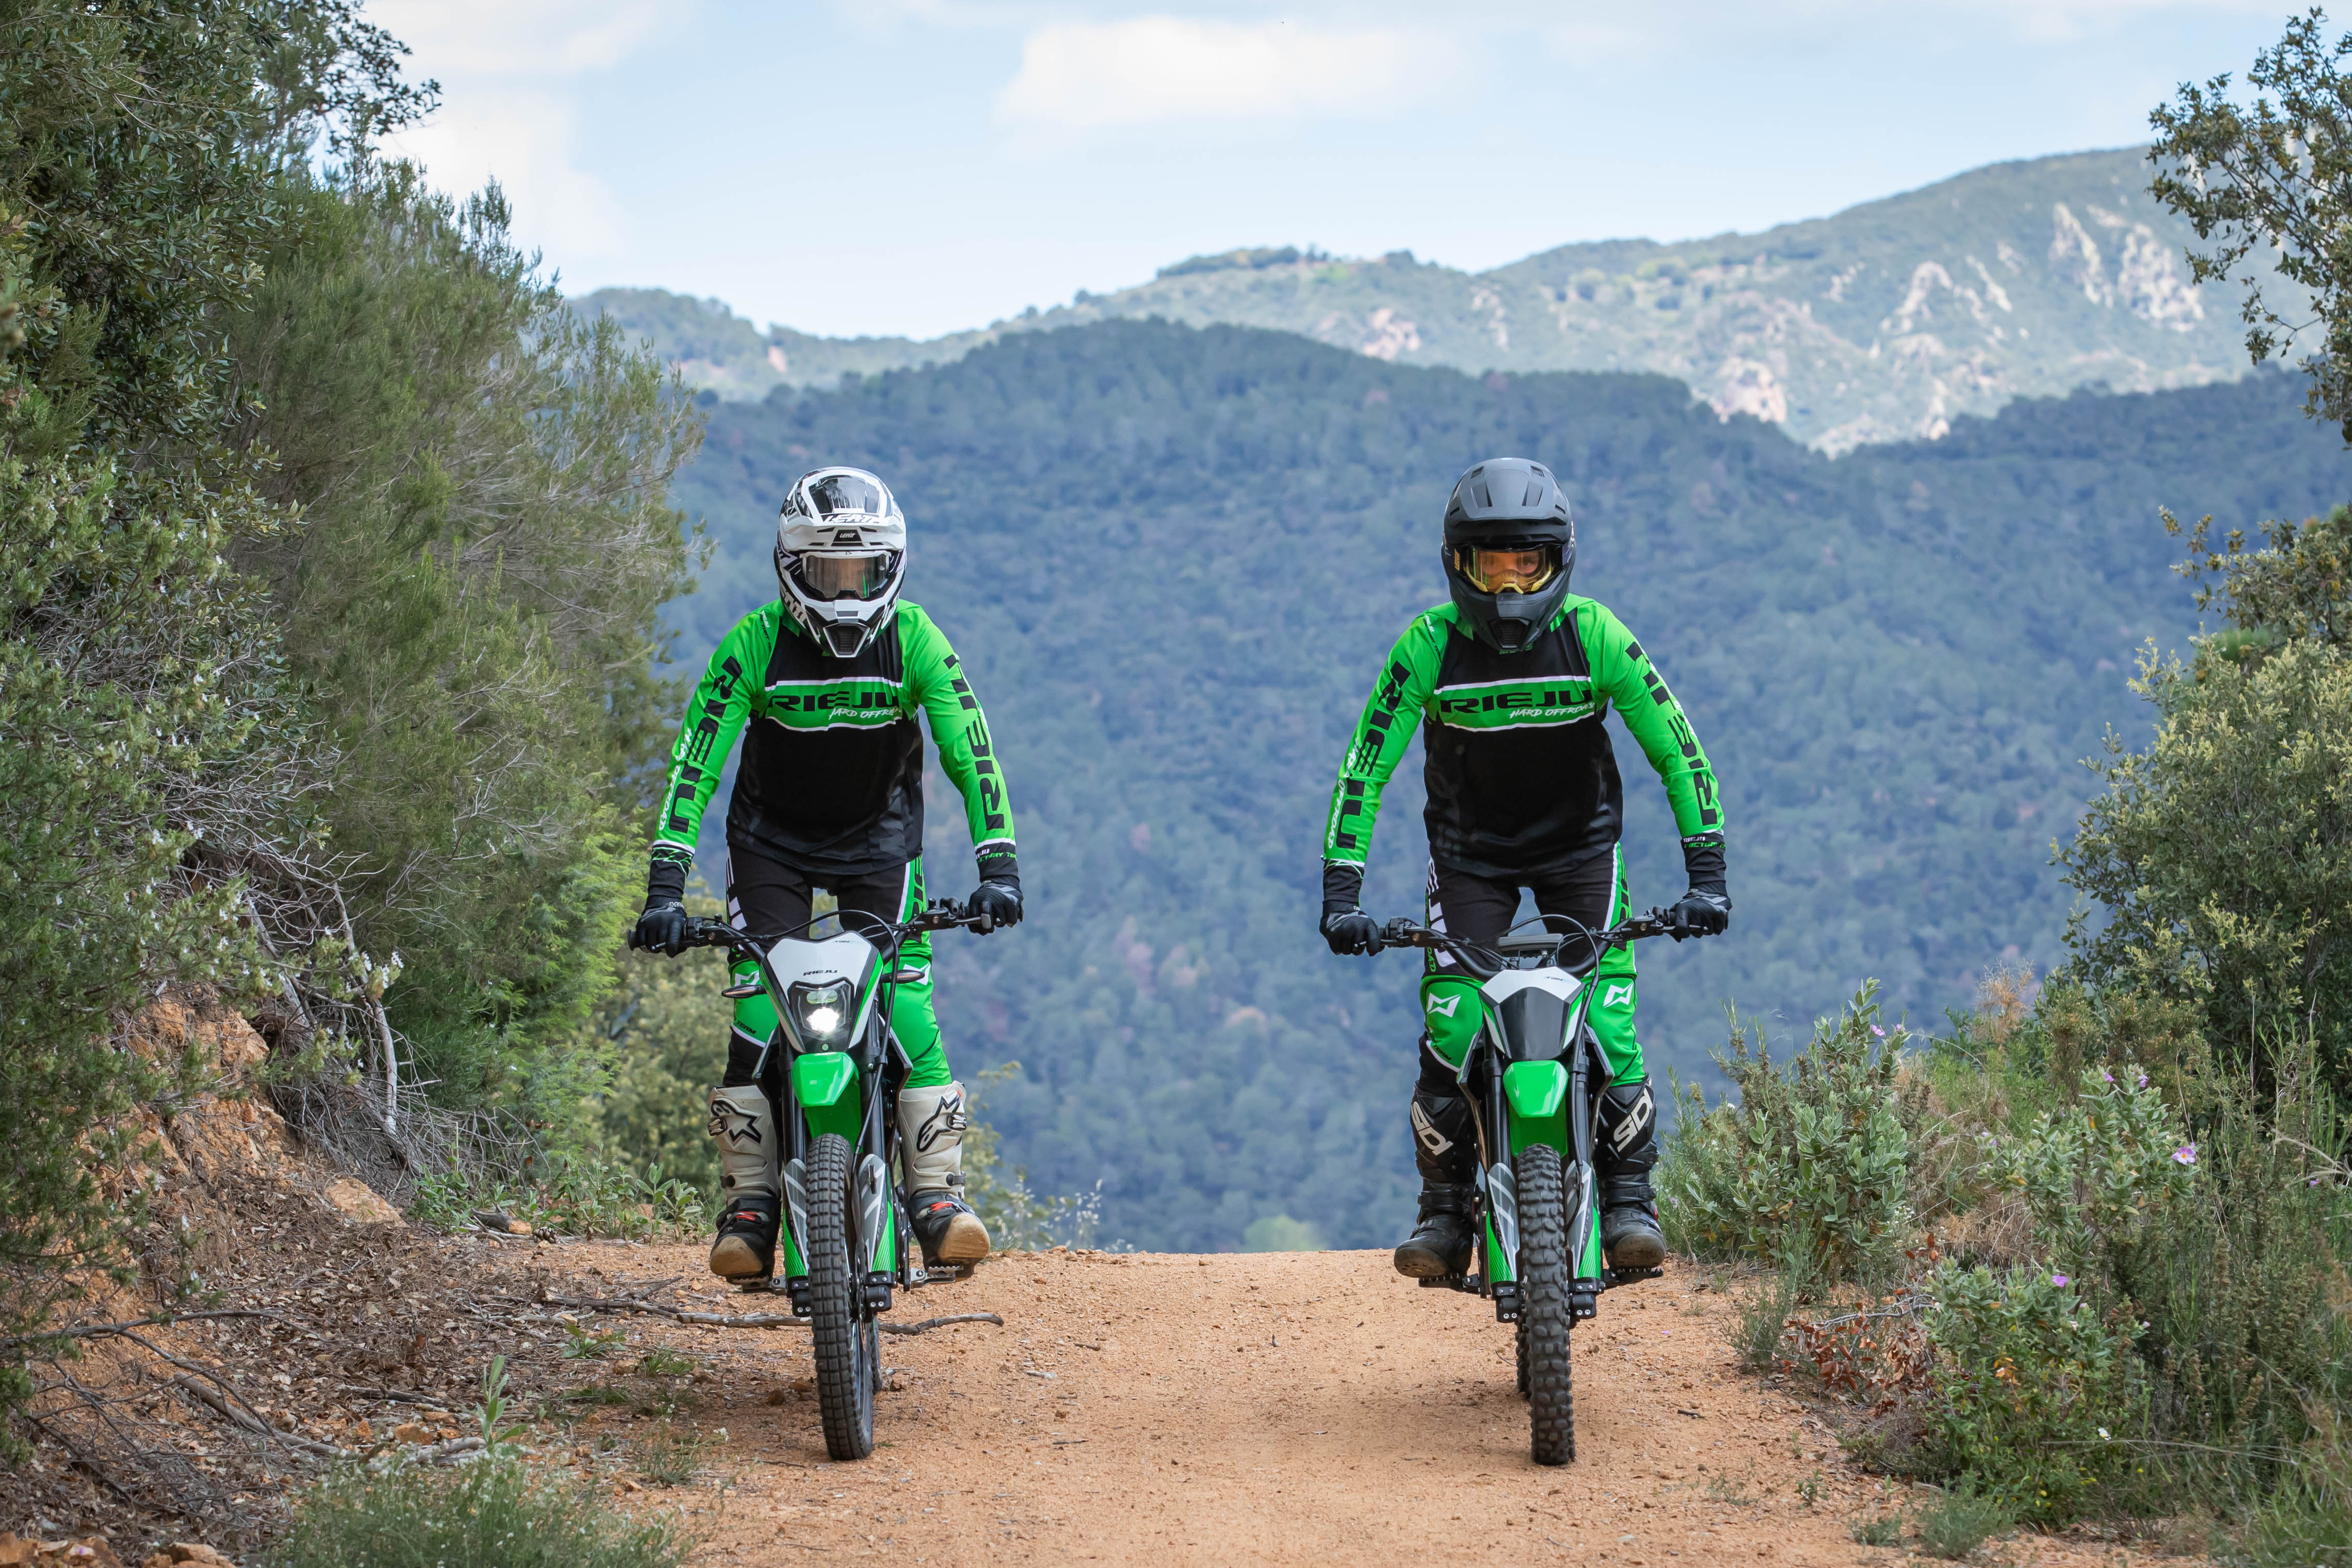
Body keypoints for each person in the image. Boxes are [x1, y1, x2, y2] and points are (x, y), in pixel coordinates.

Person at [1317, 457, 1729, 1278]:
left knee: (1608, 1024)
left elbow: (1678, 752)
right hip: (1469, 861)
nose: (1508, 584)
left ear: (1558, 561)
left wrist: (1707, 874)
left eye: (1526, 564)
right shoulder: (1428, 647)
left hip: (1583, 854)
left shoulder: (1597, 635)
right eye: (1490, 564)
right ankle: (1444, 1214)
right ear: (1456, 564)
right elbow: (1365, 767)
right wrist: (1342, 891)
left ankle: (1630, 1202)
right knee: (1452, 1029)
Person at [630, 466, 1022, 1281]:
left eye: (862, 572)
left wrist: (1000, 866)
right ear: (790, 567)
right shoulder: (753, 645)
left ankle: (936, 1195)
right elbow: (694, 765)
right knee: (757, 1012)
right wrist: (665, 886)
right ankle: (750, 1205)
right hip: (770, 847)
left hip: (880, 847)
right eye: (826, 570)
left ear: (891, 569)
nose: (846, 592)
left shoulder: (915, 639)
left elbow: (970, 750)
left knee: (904, 1003)